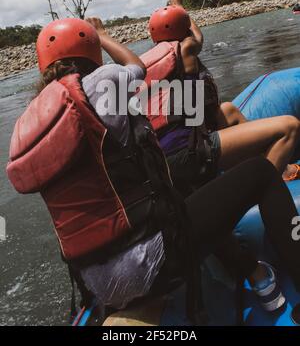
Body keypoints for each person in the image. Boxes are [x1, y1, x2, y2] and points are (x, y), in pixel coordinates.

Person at [6, 17, 300, 324]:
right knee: (260, 173)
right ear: (92, 53)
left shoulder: (30, 124)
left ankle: (249, 269)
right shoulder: (102, 83)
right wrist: (105, 36)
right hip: (151, 264)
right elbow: (136, 67)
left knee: (185, 198)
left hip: (98, 284)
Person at [142, 0, 300, 187]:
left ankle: (273, 163)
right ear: (183, 28)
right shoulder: (187, 48)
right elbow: (198, 37)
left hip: (167, 152)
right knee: (290, 126)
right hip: (189, 152)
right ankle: (265, 187)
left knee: (227, 109)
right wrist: (179, 6)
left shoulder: (149, 63)